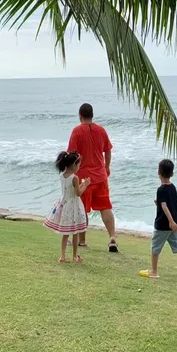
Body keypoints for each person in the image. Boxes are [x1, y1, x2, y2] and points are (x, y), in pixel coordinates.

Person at [68, 103, 118, 252]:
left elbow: (72, 155)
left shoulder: (77, 131)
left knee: (82, 209)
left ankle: (82, 240)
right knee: (105, 207)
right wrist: (107, 167)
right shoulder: (101, 130)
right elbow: (107, 151)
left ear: (80, 116)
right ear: (92, 115)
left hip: (83, 177)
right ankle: (112, 237)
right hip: (100, 176)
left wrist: (69, 174)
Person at [43, 151, 90, 263]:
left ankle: (63, 256)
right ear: (74, 165)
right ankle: (75, 256)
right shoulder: (75, 177)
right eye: (78, 165)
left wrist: (82, 184)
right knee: (75, 232)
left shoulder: (62, 175)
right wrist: (85, 185)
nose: (79, 167)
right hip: (74, 206)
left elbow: (71, 189)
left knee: (65, 233)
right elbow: (78, 193)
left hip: (64, 204)